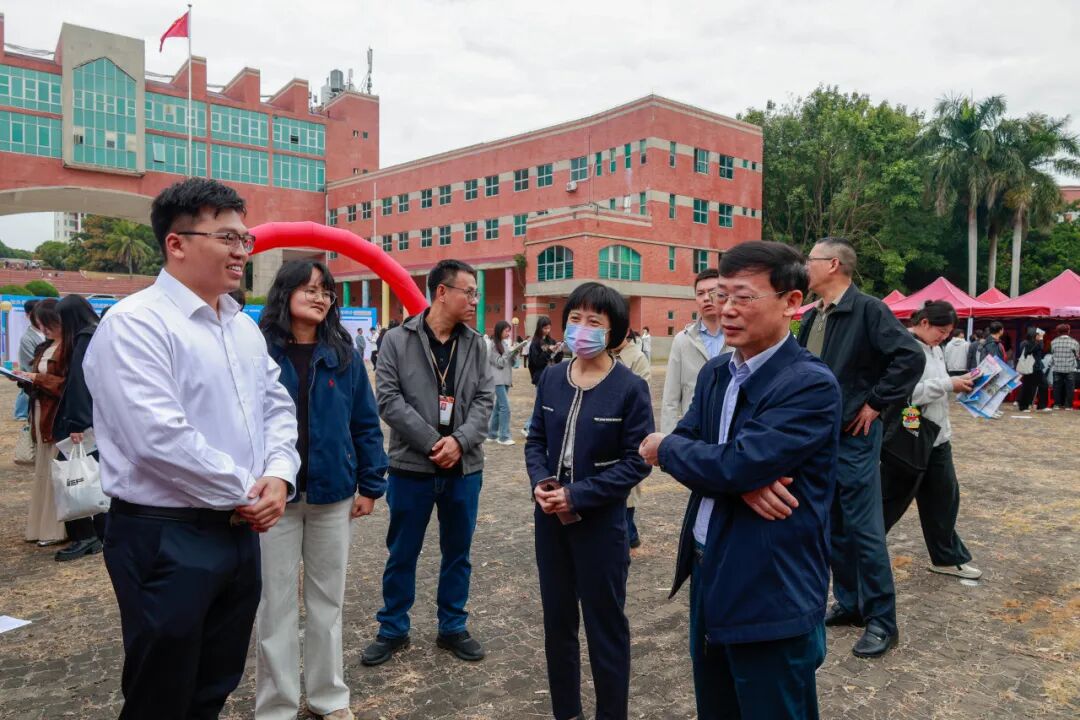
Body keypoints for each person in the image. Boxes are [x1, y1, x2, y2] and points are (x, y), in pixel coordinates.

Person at [83, 178, 300, 718]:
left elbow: (276, 406)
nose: (241, 250)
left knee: (214, 683)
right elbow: (158, 439)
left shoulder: (242, 327)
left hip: (239, 532)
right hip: (166, 537)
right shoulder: (135, 324)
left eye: (245, 239)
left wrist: (279, 474)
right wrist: (249, 491)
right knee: (161, 691)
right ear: (176, 243)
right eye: (227, 238)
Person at [639, 241, 841, 719]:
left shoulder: (809, 384)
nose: (726, 309)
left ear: (792, 302)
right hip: (709, 567)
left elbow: (725, 461)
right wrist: (734, 475)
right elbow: (714, 454)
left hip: (771, 585)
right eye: (721, 295)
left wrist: (669, 450)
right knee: (717, 705)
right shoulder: (716, 372)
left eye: (744, 297)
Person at [255, 260, 388, 720]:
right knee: (274, 605)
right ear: (285, 291)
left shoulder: (343, 353)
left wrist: (371, 483)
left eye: (326, 291)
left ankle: (329, 697)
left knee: (327, 602)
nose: (319, 297)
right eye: (309, 288)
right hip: (273, 499)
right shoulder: (259, 350)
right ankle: (276, 705)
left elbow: (365, 422)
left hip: (333, 494)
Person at [526, 282, 653, 720]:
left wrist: (577, 495)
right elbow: (536, 440)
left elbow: (637, 462)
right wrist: (541, 482)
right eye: (575, 319)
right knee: (558, 624)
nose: (582, 328)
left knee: (606, 628)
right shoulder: (552, 378)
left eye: (593, 321)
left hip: (601, 525)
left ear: (613, 330)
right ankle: (567, 712)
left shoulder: (630, 388)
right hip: (550, 523)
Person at [362, 259, 494, 666]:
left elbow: (485, 401)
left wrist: (459, 442)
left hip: (463, 468)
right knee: (402, 551)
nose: (475, 300)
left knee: (458, 552)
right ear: (441, 292)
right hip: (411, 467)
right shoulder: (396, 340)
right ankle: (393, 628)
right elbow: (388, 400)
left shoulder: (476, 344)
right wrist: (435, 442)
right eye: (469, 292)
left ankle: (452, 626)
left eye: (476, 293)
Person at [798, 237, 924, 659]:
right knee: (833, 524)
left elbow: (909, 357)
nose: (805, 266)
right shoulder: (812, 316)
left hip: (853, 437)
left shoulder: (869, 309)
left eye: (811, 259)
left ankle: (883, 621)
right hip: (818, 438)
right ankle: (850, 604)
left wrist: (875, 403)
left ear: (833, 265)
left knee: (864, 530)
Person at [881, 301, 982, 582]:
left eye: (948, 332)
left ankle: (947, 557)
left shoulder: (936, 349)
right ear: (924, 322)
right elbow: (903, 393)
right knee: (889, 501)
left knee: (944, 498)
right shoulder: (904, 348)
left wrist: (958, 382)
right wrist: (949, 384)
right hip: (910, 437)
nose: (944, 337)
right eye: (941, 330)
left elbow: (935, 385)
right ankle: (859, 549)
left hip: (937, 436)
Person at [47, 294, 108, 560]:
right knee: (93, 474)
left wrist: (77, 422)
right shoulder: (98, 333)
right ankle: (99, 533)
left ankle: (85, 535)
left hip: (83, 423)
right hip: (97, 419)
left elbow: (80, 384)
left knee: (72, 477)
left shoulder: (84, 339)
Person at [17, 299, 66, 548]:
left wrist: (37, 378)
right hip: (39, 409)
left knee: (55, 469)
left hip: (55, 413)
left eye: (47, 324)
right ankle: (41, 525)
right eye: (40, 325)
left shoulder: (69, 347)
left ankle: (56, 527)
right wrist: (25, 379)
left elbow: (66, 384)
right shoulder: (45, 346)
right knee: (43, 469)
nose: (44, 329)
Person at [660, 268, 729, 434]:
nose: (706, 298)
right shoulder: (682, 341)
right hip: (694, 433)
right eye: (700, 293)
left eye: (712, 292)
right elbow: (670, 400)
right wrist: (668, 441)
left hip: (730, 431)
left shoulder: (740, 338)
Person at [615, 329, 651, 550]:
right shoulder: (599, 355)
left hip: (625, 436)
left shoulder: (636, 358)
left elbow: (641, 402)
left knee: (627, 492)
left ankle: (629, 536)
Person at [486, 320, 528, 446]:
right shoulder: (492, 345)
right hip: (497, 380)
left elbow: (512, 363)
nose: (508, 333)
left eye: (509, 331)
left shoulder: (504, 343)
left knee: (498, 407)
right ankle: (504, 436)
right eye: (506, 331)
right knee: (505, 407)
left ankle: (492, 434)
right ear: (500, 331)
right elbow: (500, 363)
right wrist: (508, 353)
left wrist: (515, 353)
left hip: (506, 379)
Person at [523, 316, 565, 435]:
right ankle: (528, 426)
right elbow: (536, 362)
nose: (547, 330)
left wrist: (559, 351)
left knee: (548, 403)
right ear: (539, 328)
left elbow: (557, 360)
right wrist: (549, 351)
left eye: (549, 328)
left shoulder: (551, 341)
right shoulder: (535, 343)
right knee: (541, 402)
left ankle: (537, 426)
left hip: (552, 375)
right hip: (541, 376)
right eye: (545, 328)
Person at [14, 299, 42, 421]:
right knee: (26, 390)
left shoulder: (48, 333)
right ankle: (21, 413)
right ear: (28, 315)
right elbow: (30, 363)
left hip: (39, 376)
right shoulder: (27, 338)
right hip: (33, 374)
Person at [1015, 327, 1050, 412]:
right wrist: (1040, 340)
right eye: (1038, 335)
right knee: (1028, 387)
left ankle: (1041, 405)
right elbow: (1035, 349)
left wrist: (1040, 340)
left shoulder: (1034, 343)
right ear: (1034, 335)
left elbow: (1039, 349)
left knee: (1043, 384)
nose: (1040, 336)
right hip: (1029, 367)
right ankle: (1023, 406)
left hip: (1037, 367)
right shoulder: (1026, 343)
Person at [1050, 324, 1078, 410]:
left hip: (1057, 368)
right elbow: (1077, 355)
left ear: (1058, 332)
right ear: (1068, 331)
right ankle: (1068, 406)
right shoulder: (1074, 342)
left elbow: (1052, 353)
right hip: (1070, 368)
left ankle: (1057, 405)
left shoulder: (1053, 342)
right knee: (1070, 388)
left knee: (1057, 387)